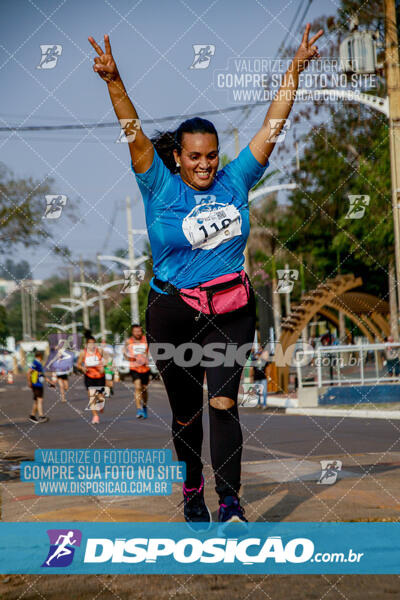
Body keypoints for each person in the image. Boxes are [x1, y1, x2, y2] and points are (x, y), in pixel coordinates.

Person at [89, 24, 323, 529]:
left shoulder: (236, 178)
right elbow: (132, 134)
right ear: (178, 156)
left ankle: (231, 502)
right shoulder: (158, 185)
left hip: (231, 312)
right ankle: (192, 490)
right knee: (186, 417)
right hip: (172, 312)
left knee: (222, 402)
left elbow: (271, 127)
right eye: (194, 156)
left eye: (211, 155)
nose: (204, 164)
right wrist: (114, 81)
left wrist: (295, 70)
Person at [77, 334, 105, 424]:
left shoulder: (100, 351)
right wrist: (82, 368)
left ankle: (100, 403)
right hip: (89, 376)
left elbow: (108, 360)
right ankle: (95, 416)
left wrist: (104, 367)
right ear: (86, 344)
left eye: (93, 343)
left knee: (101, 398)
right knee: (91, 396)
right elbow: (78, 364)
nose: (91, 345)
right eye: (90, 344)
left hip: (100, 376)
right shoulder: (83, 353)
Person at [124, 324, 150, 419]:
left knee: (144, 389)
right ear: (132, 332)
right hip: (134, 368)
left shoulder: (146, 340)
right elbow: (125, 353)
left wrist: (147, 357)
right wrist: (128, 356)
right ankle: (139, 409)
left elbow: (150, 352)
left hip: (145, 368)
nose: (137, 333)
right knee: (137, 387)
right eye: (135, 331)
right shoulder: (129, 341)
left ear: (141, 331)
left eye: (139, 331)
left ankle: (145, 406)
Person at [27, 350, 54, 423]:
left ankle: (32, 415)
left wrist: (50, 382)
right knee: (40, 400)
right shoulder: (35, 363)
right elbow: (29, 372)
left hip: (38, 384)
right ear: (40, 356)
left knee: (36, 400)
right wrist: (29, 382)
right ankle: (41, 416)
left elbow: (42, 375)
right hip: (36, 384)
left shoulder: (38, 363)